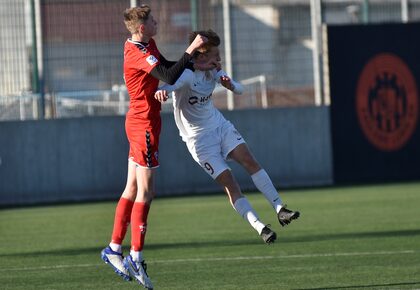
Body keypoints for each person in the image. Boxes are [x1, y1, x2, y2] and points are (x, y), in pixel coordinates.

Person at [100, 6, 215, 289]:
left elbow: (167, 66)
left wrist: (196, 65)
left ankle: (114, 249)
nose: (156, 21)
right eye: (152, 20)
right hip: (143, 126)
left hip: (142, 122)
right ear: (141, 28)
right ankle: (135, 256)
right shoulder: (137, 51)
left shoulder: (146, 43)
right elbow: (167, 74)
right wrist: (192, 50)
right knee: (147, 192)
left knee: (131, 188)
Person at [154, 29, 300, 245]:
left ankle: (280, 208)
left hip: (220, 126)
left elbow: (240, 89)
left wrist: (230, 85)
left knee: (249, 161)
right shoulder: (186, 76)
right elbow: (169, 85)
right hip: (199, 141)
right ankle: (260, 227)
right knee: (230, 183)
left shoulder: (213, 72)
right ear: (201, 55)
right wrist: (162, 91)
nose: (220, 59)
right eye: (216, 55)